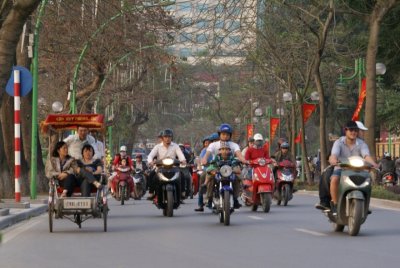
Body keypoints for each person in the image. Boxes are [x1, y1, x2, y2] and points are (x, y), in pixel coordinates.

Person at [327, 121, 378, 215]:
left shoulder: (362, 144)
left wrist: (374, 164)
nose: (353, 132)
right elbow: (334, 154)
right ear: (345, 131)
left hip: (358, 170)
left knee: (368, 180)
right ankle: (334, 203)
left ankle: (366, 204)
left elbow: (366, 156)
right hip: (341, 169)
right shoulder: (338, 142)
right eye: (351, 130)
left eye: (355, 130)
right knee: (334, 179)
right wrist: (333, 160)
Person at [201, 123, 248, 209]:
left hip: (230, 166)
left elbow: (239, 154)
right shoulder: (213, 145)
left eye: (227, 134)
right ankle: (208, 198)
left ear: (230, 135)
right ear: (219, 135)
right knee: (209, 175)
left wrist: (243, 160)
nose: (225, 136)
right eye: (223, 134)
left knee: (237, 175)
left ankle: (236, 198)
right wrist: (204, 159)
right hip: (217, 166)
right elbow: (207, 154)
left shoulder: (234, 145)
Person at [146, 129, 186, 200]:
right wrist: (150, 162)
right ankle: (151, 192)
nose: (167, 139)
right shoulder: (157, 147)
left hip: (173, 166)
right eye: (166, 137)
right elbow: (150, 156)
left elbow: (181, 155)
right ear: (162, 138)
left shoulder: (175, 146)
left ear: (171, 138)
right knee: (152, 175)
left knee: (182, 175)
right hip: (160, 167)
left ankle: (182, 192)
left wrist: (183, 160)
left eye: (169, 137)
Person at [204, 141, 241, 208]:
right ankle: (209, 198)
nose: (225, 151)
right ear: (219, 151)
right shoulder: (217, 157)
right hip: (219, 174)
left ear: (229, 151)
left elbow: (235, 164)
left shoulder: (232, 158)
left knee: (236, 179)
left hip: (229, 174)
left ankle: (236, 199)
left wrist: (235, 168)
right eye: (223, 149)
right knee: (211, 178)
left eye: (227, 149)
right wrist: (213, 169)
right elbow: (213, 164)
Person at [195, 135, 212, 212]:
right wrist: (202, 163)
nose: (207, 144)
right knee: (202, 181)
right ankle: (200, 204)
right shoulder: (204, 151)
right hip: (207, 169)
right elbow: (201, 160)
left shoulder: (215, 149)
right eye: (206, 143)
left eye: (209, 142)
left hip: (217, 169)